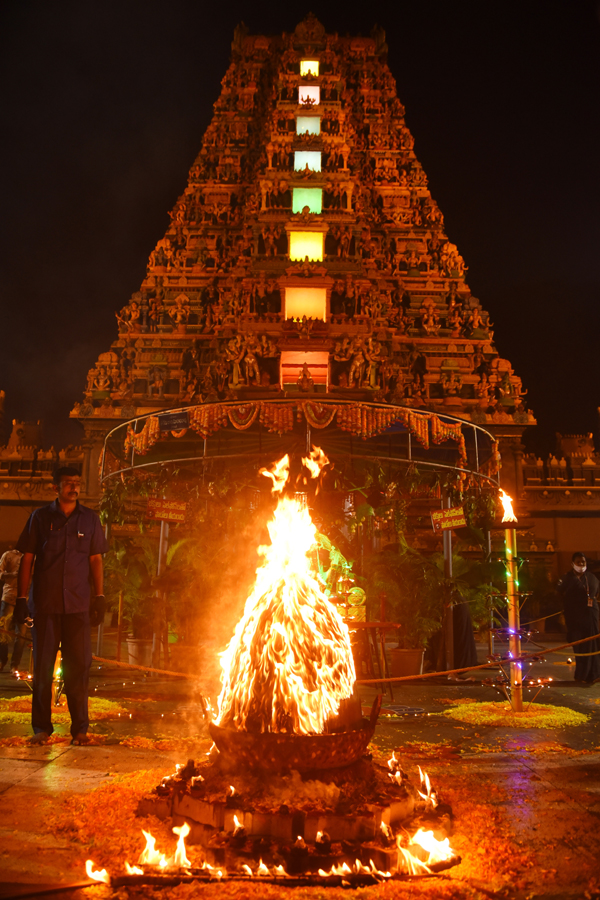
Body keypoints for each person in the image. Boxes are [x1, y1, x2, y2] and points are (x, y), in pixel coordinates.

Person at [15, 467, 108, 744]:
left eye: (77, 483)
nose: (74, 488)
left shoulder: (90, 520)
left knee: (79, 670)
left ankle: (80, 729)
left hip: (78, 607)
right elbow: (28, 559)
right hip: (45, 605)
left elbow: (95, 560)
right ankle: (41, 729)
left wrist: (100, 597)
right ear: (56, 487)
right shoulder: (40, 518)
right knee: (43, 669)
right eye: (68, 483)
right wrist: (21, 599)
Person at [557, 552, 600, 684]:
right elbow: (558, 594)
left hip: (591, 616)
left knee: (593, 645)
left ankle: (595, 675)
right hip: (575, 618)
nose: (581, 564)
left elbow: (596, 593)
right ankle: (581, 675)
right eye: (578, 562)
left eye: (583, 562)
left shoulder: (592, 577)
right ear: (573, 563)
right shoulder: (567, 578)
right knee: (580, 646)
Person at [0, 546, 27, 672]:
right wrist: (12, 575)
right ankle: (2, 660)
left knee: (21, 634)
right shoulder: (9, 555)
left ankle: (14, 664)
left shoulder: (34, 556)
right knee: (3, 631)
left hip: (25, 599)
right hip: (9, 597)